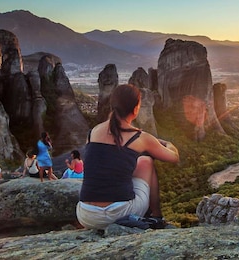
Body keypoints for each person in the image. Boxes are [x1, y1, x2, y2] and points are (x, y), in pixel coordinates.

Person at [76, 84, 179, 230]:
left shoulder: (93, 132)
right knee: (146, 161)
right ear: (136, 109)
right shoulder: (139, 137)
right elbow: (174, 157)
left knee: (134, 163)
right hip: (118, 213)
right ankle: (156, 217)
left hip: (86, 215)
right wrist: (168, 144)